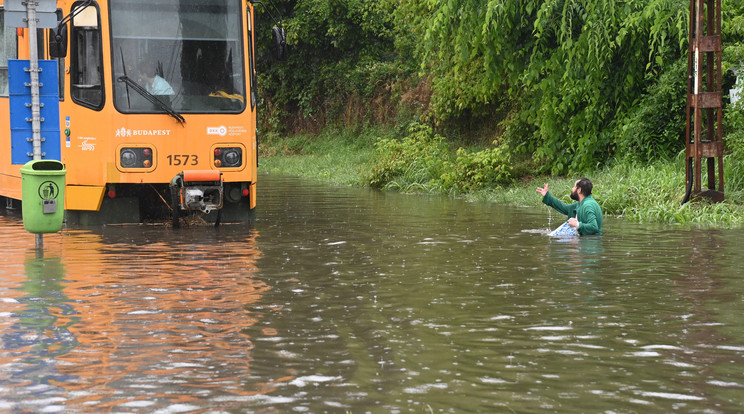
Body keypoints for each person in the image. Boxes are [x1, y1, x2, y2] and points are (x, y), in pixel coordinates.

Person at [536, 178, 603, 235]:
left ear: (579, 190)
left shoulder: (588, 205)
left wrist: (577, 225)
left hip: (590, 244)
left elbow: (594, 227)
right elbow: (563, 208)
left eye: (574, 187)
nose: (572, 189)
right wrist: (547, 196)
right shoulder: (581, 204)